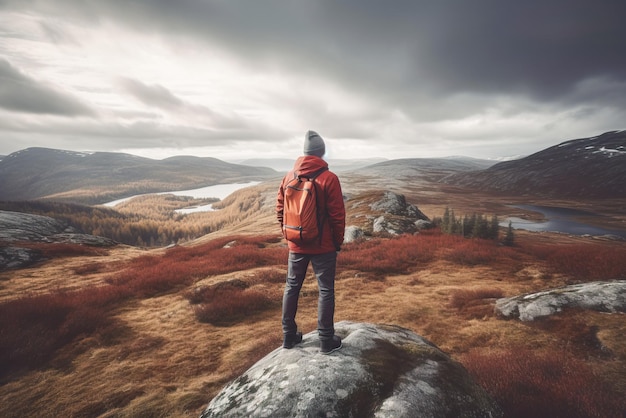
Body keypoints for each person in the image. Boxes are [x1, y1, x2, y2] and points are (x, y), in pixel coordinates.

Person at [276, 130, 346, 354]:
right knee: (325, 290)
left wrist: (290, 237)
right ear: (321, 152)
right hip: (323, 245)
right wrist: (336, 242)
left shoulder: (288, 176)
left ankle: (289, 336)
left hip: (295, 243)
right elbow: (337, 215)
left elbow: (280, 210)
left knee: (292, 286)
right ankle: (326, 340)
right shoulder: (329, 178)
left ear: (305, 153)